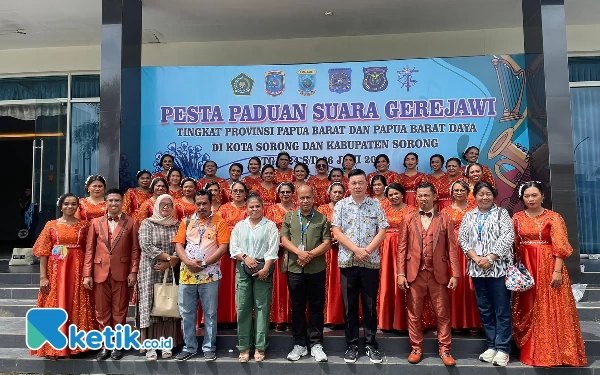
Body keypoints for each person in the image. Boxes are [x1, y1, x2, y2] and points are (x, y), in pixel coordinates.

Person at [512, 181, 587, 367]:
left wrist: (557, 271)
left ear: (542, 196)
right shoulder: (517, 218)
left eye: (534, 195)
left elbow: (560, 247)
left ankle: (556, 353)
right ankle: (530, 351)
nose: (531, 199)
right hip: (525, 267)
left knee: (549, 308)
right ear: (522, 198)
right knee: (528, 306)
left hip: (548, 266)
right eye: (527, 196)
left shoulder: (553, 217)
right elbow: (513, 245)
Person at [397, 182, 460, 366]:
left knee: (443, 314)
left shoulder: (445, 219)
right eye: (420, 196)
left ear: (434, 197)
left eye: (426, 195)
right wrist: (400, 273)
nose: (423, 199)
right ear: (415, 197)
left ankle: (445, 349)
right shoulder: (408, 218)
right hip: (414, 273)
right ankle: (416, 347)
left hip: (438, 274)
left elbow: (452, 248)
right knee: (414, 313)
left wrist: (455, 274)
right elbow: (402, 248)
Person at [332, 169, 388, 364]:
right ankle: (352, 345)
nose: (357, 186)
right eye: (354, 183)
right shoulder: (340, 206)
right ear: (348, 185)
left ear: (367, 184)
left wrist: (367, 251)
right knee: (350, 307)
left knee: (370, 306)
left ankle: (372, 345)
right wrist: (356, 250)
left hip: (370, 263)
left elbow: (382, 231)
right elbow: (337, 233)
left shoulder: (376, 205)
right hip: (348, 262)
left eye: (361, 182)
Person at [30, 193, 96, 359]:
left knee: (76, 303)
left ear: (78, 207)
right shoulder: (51, 225)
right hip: (56, 270)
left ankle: (75, 346)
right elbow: (44, 252)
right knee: (56, 303)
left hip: (78, 268)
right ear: (60, 206)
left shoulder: (85, 225)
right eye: (66, 204)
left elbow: (90, 250)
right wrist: (43, 277)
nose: (70, 207)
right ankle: (53, 347)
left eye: (74, 204)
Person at [458, 181, 514, 367]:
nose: (484, 197)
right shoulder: (469, 215)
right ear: (475, 196)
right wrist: (476, 258)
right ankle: (491, 345)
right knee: (485, 309)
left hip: (497, 268)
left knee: (502, 309)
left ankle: (503, 348)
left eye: (488, 193)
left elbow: (508, 237)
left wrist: (490, 258)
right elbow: (463, 239)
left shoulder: (501, 213)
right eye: (481, 194)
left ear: (493, 195)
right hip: (477, 269)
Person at [172, 189, 230, 362]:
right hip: (187, 275)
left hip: (209, 275)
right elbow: (178, 246)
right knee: (187, 312)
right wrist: (188, 262)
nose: (202, 206)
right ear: (194, 204)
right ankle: (189, 347)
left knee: (210, 313)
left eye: (205, 203)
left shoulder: (219, 222)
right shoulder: (186, 221)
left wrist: (204, 263)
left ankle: (208, 347)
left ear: (211, 203)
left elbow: (223, 248)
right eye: (198, 203)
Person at [83, 188, 140, 361]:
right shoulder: (95, 222)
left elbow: (135, 250)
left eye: (117, 201)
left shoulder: (132, 222)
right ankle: (104, 344)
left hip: (122, 272)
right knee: (101, 311)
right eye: (111, 201)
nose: (114, 203)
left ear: (122, 203)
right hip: (99, 271)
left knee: (120, 311)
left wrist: (133, 271)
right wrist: (87, 274)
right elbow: (90, 250)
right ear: (105, 202)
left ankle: (117, 344)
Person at [281, 185, 331, 362]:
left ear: (313, 198)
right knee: (298, 307)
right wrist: (299, 253)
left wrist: (309, 255)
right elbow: (284, 239)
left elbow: (327, 243)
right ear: (297, 198)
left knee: (317, 307)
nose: (305, 201)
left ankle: (316, 344)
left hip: (316, 268)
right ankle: (300, 344)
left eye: (308, 197)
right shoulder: (289, 216)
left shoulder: (322, 218)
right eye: (302, 198)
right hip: (295, 268)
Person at [230, 194, 279, 362]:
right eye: (251, 207)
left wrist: (266, 268)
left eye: (257, 206)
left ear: (262, 207)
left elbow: (273, 249)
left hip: (263, 269)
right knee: (243, 307)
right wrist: (245, 257)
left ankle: (260, 346)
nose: (254, 209)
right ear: (246, 208)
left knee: (261, 307)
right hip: (243, 268)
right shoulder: (239, 226)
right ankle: (243, 347)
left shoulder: (270, 225)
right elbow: (233, 247)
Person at [137, 194, 182, 360]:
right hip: (150, 269)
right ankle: (150, 347)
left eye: (169, 204)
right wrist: (169, 258)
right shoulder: (147, 223)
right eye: (162, 204)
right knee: (150, 305)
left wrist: (170, 263)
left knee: (167, 304)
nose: (165, 207)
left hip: (170, 271)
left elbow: (181, 246)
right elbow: (146, 246)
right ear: (156, 205)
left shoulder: (177, 225)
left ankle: (166, 345)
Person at [440, 180, 479, 332]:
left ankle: (473, 322)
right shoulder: (445, 210)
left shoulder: (475, 209)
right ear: (452, 193)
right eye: (456, 190)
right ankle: (455, 322)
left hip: (472, 248)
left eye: (462, 189)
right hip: (451, 248)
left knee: (471, 284)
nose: (459, 192)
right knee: (454, 284)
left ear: (467, 191)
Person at [380, 183, 417, 331]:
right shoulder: (382, 210)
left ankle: (406, 321)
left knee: (406, 282)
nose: (394, 197)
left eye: (396, 194)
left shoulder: (412, 210)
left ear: (402, 194)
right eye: (390, 195)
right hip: (386, 249)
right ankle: (387, 321)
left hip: (406, 247)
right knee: (387, 281)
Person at [216, 181, 249, 325]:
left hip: (245, 252)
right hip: (225, 251)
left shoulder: (250, 208)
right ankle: (225, 317)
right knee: (225, 285)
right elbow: (217, 228)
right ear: (230, 192)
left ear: (245, 193)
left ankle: (241, 318)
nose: (238, 193)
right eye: (235, 190)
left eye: (241, 190)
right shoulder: (223, 209)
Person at [265, 182, 296, 331]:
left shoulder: (297, 209)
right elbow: (267, 230)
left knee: (294, 286)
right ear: (278, 194)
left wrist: (291, 246)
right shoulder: (271, 210)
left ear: (292, 193)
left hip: (295, 253)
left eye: (288, 192)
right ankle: (278, 318)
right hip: (276, 253)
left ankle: (291, 318)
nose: (285, 194)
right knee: (277, 286)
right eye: (282, 192)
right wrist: (278, 243)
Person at [317, 182, 345, 326]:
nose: (337, 195)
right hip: (325, 250)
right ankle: (325, 316)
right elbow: (317, 228)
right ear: (329, 193)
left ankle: (339, 316)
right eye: (335, 192)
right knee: (324, 282)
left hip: (344, 249)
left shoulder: (348, 208)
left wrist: (342, 239)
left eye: (340, 192)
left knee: (340, 282)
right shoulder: (322, 209)